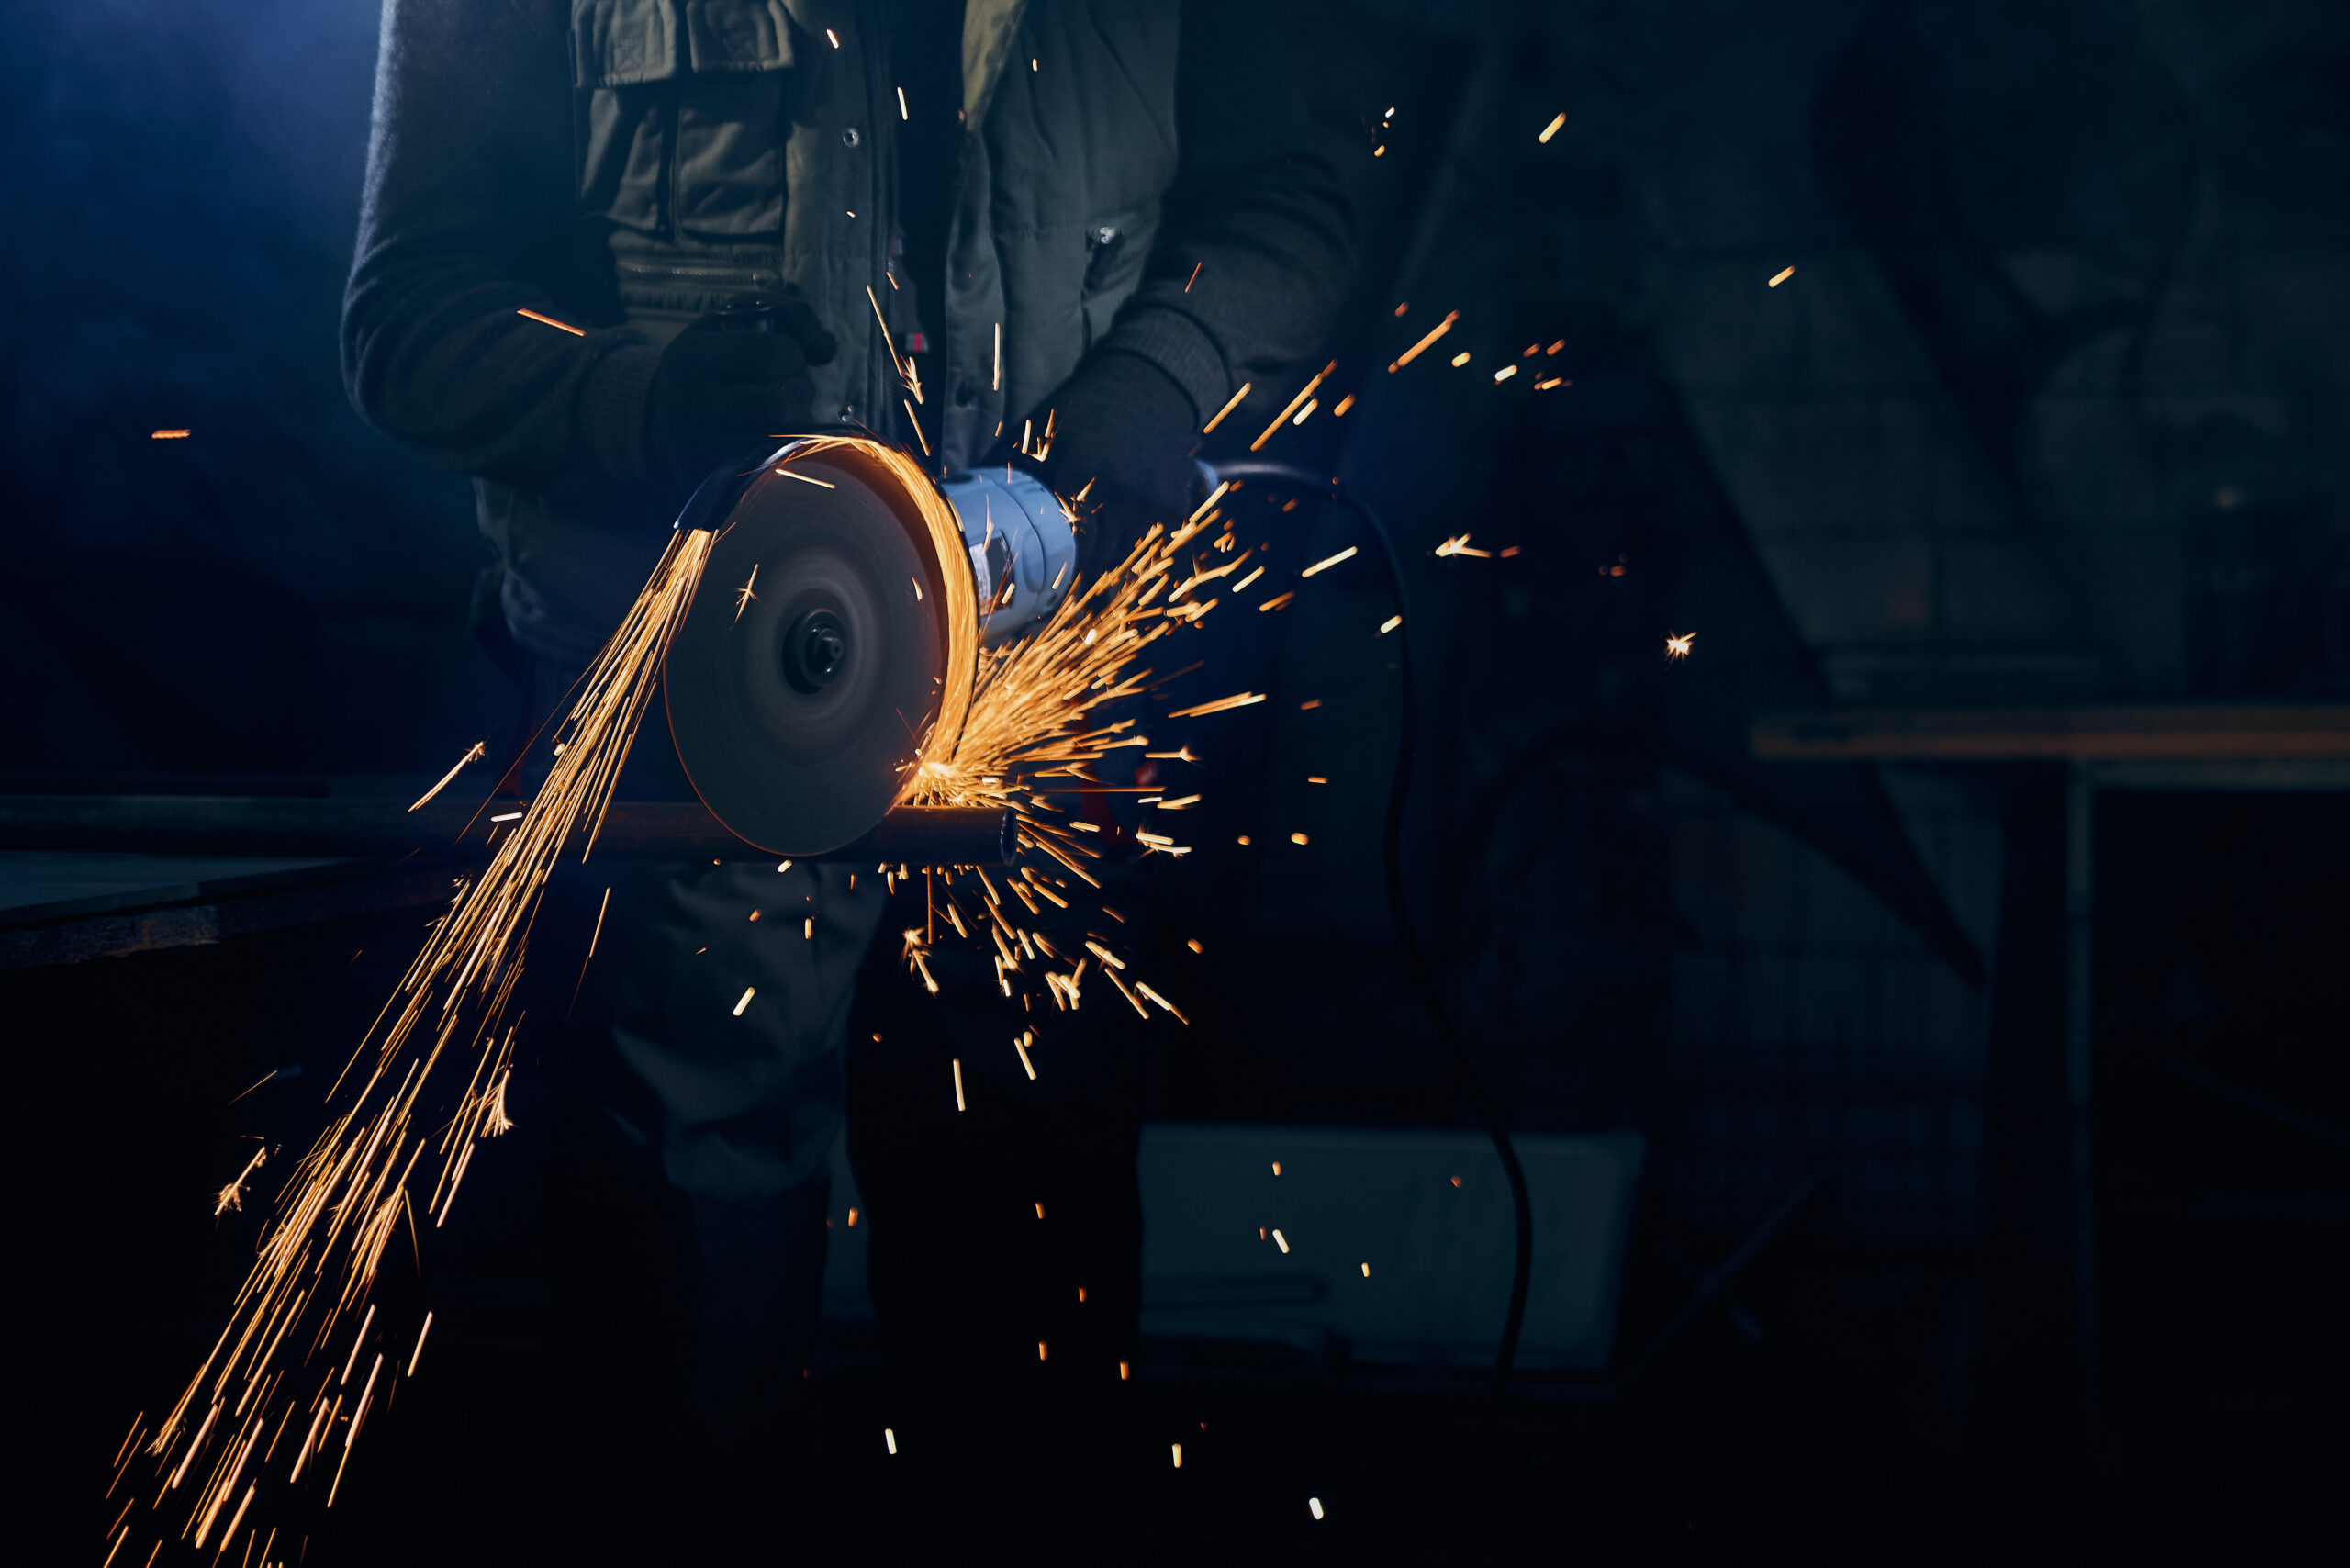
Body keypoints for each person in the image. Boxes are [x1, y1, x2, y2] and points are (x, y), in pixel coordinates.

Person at [342, 0, 1357, 1551]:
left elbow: (1292, 199)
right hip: (697, 714)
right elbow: (408, 316)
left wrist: (1157, 381)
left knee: (1032, 1277)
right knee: (681, 1313)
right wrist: (645, 400)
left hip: (1034, 688)